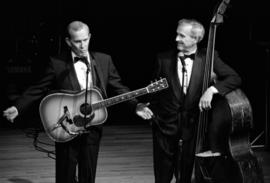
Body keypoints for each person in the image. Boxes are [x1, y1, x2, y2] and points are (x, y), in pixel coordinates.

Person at [3, 20, 142, 183]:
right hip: (66, 126)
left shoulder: (104, 60)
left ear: (90, 36)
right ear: (68, 41)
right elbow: (38, 88)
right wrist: (18, 107)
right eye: (77, 41)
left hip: (92, 126)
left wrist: (136, 105)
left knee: (88, 174)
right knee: (65, 174)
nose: (83, 45)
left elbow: (119, 87)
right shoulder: (57, 63)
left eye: (85, 40)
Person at [136, 18, 242, 183]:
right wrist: (150, 111)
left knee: (186, 176)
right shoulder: (162, 59)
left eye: (182, 36)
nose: (176, 39)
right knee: (162, 175)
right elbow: (153, 93)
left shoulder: (209, 57)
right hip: (165, 127)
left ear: (196, 39)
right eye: (177, 34)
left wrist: (212, 90)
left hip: (194, 129)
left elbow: (234, 78)